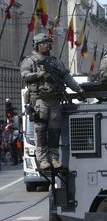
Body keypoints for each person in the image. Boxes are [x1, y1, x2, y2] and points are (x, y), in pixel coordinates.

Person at [20, 33, 84, 170]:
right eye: (43, 43)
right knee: (40, 130)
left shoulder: (55, 62)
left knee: (55, 131)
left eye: (48, 42)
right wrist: (39, 75)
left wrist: (79, 90)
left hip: (54, 99)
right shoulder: (30, 61)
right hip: (39, 100)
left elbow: (67, 77)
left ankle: (54, 158)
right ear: (37, 45)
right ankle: (43, 159)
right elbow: (24, 75)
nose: (47, 45)